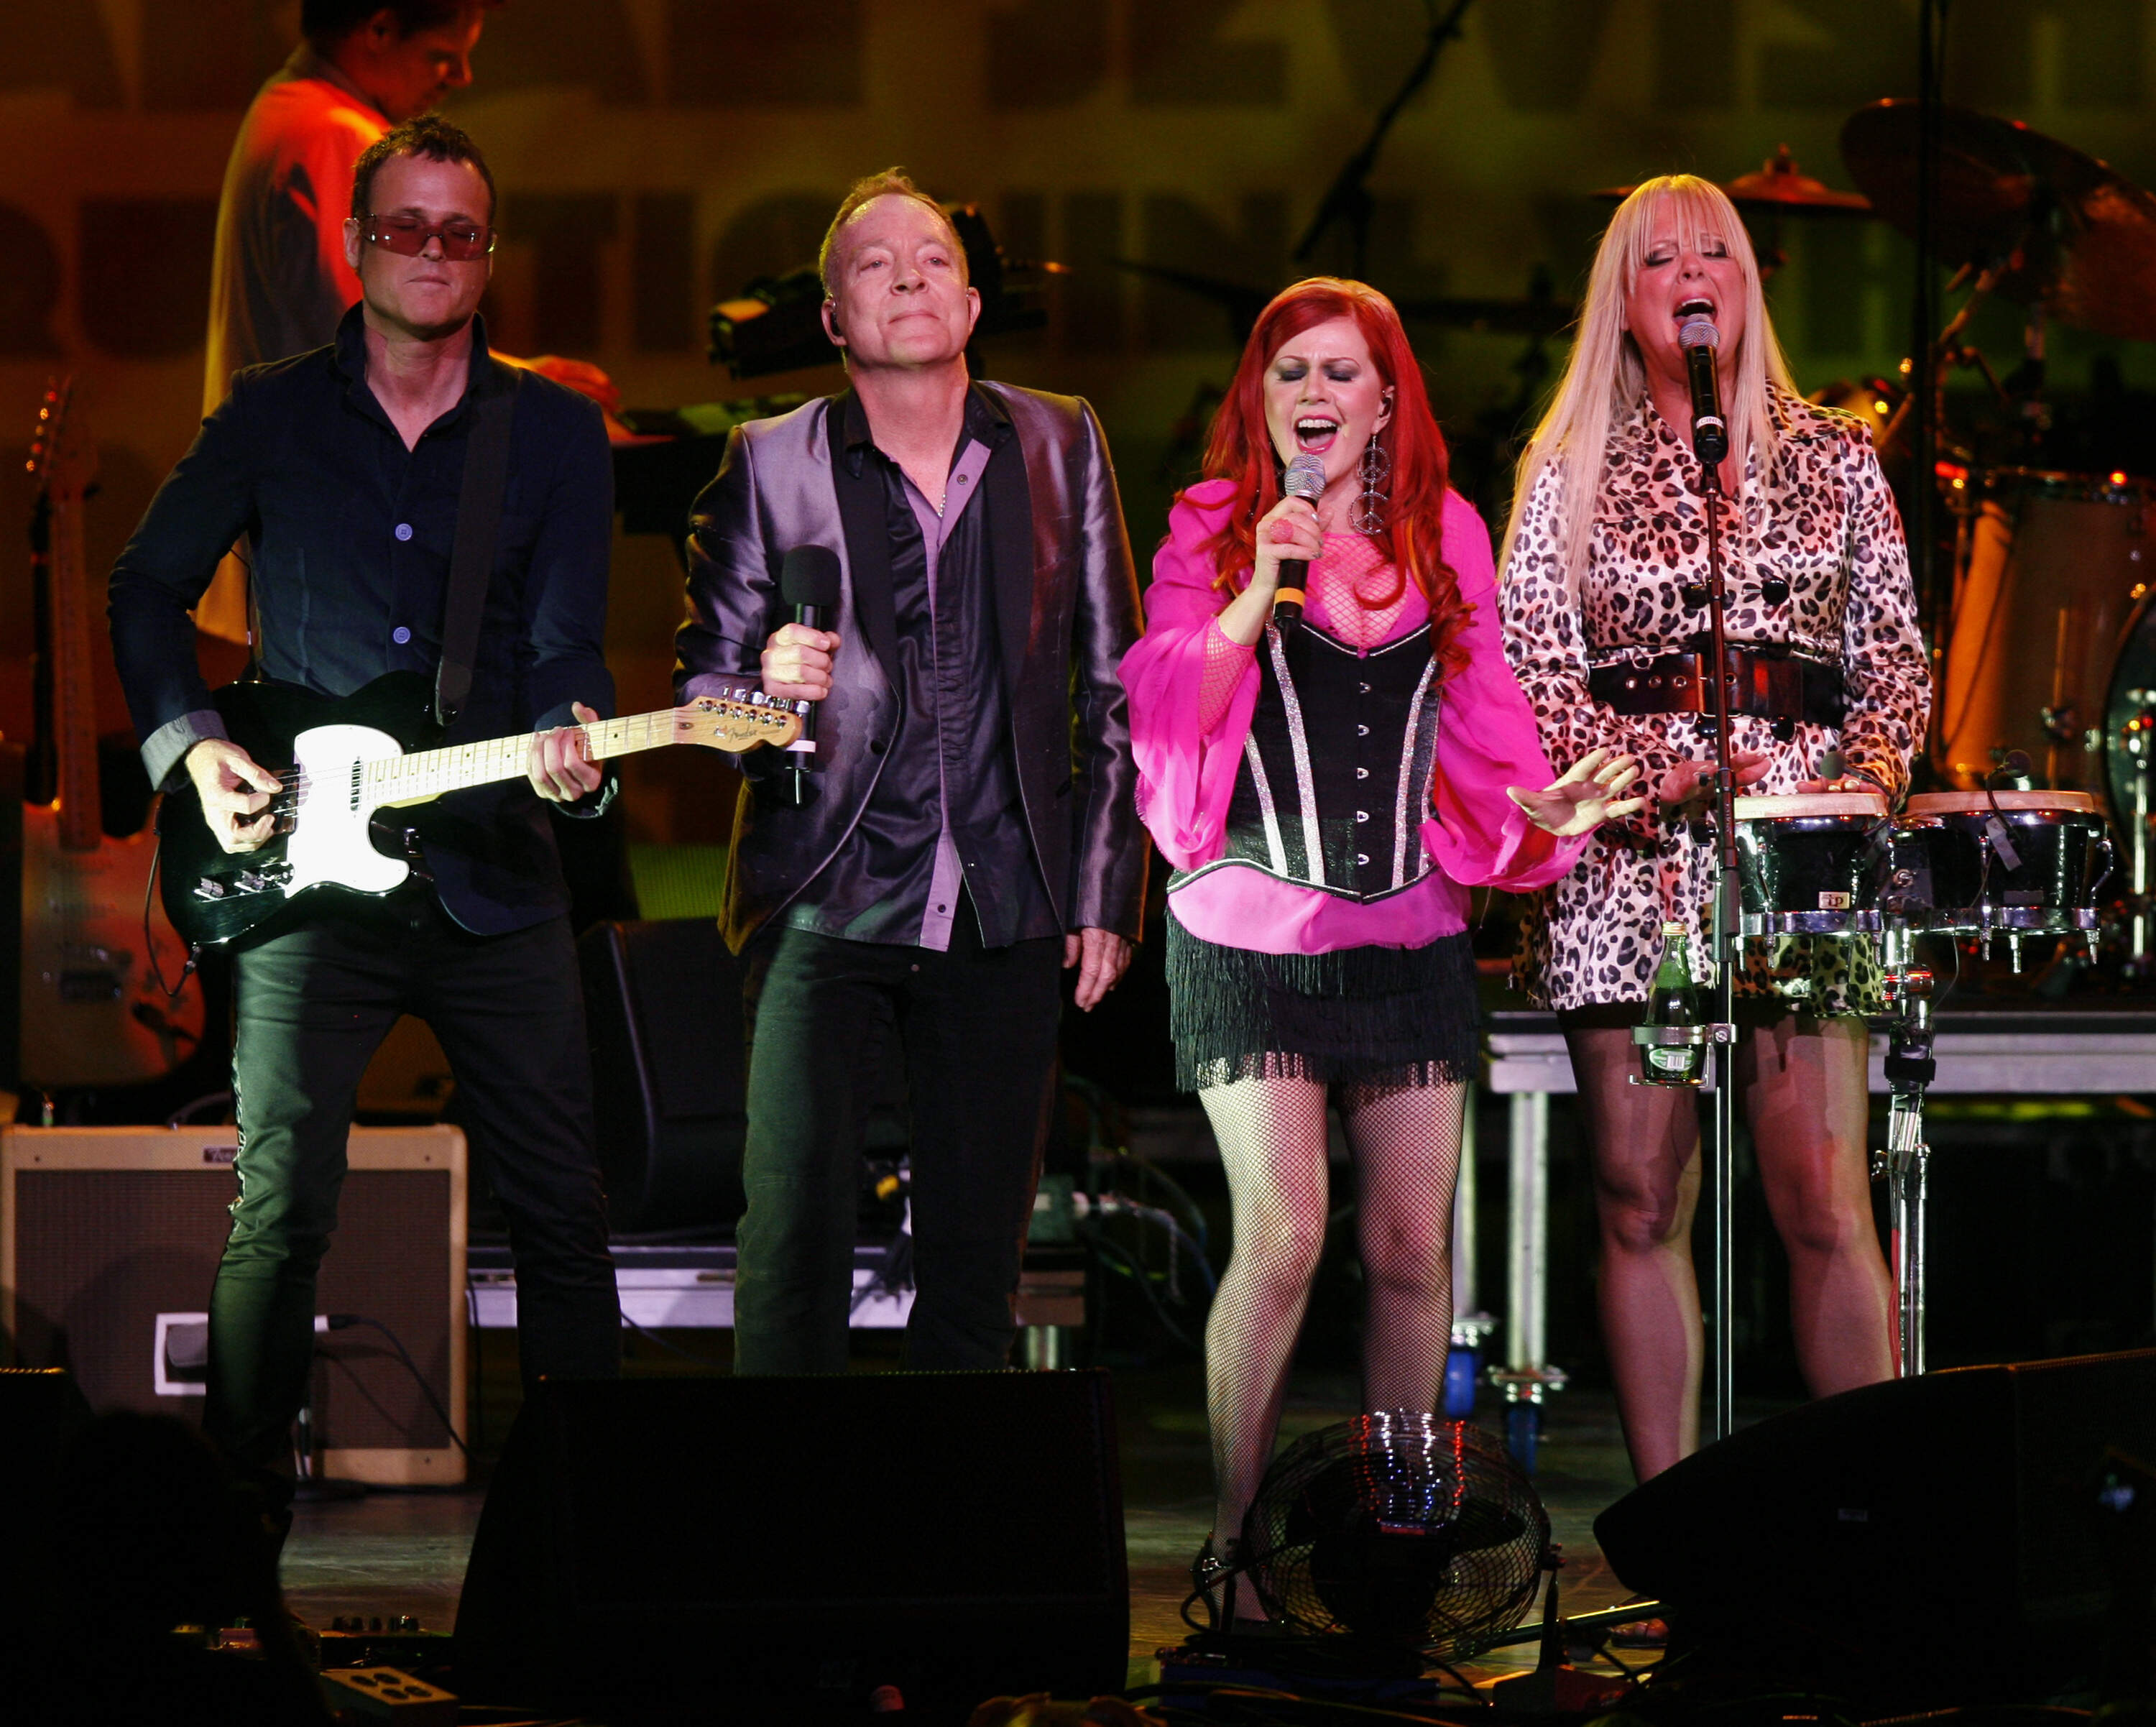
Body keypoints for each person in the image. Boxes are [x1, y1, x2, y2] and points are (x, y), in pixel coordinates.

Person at [109, 116, 620, 1521]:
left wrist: (580, 744)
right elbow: (147, 587)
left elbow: (570, 648)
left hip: (494, 869)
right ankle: (224, 1572)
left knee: (566, 1222)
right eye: (408, 226)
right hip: (298, 868)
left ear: (489, 253)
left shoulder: (555, 430)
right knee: (281, 1214)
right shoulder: (274, 412)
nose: (435, 253)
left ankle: (584, 1547)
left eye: (461, 232)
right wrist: (194, 746)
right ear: (354, 242)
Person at [1120, 277, 1644, 1618]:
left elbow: (1482, 726)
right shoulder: (1212, 525)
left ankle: (1399, 1552)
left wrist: (1535, 812)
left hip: (1405, 933)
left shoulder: (1444, 529)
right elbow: (1167, 700)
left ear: (1388, 396)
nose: (1315, 394)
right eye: (1291, 370)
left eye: (1343, 372)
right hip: (1251, 924)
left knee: (1414, 1246)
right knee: (1287, 1231)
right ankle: (1235, 1553)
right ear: (1261, 396)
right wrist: (1259, 586)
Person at [675, 167, 1147, 1376]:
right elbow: (702, 697)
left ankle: (960, 1539)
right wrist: (762, 685)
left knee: (976, 1262)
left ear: (975, 305)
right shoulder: (767, 463)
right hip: (824, 892)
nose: (909, 277)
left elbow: (1113, 683)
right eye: (874, 264)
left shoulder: (1058, 440)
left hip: (1007, 892)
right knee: (793, 1244)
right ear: (834, 319)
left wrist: (1104, 891)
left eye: (934, 259)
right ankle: (790, 1553)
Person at [1499, 175, 1931, 1480]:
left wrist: (1858, 783)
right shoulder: (1566, 464)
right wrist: (1642, 771)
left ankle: (1874, 1516)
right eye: (1659, 263)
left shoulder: (1837, 453)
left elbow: (1895, 660)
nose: (1694, 277)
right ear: (1624, 306)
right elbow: (1532, 663)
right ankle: (1674, 1530)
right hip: (1637, 854)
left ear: (1747, 287)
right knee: (1642, 1198)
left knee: (1821, 1200)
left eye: (1718, 258)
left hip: (1800, 851)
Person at [198, 0, 614, 642]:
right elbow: (381, 340)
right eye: (443, 55)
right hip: (345, 540)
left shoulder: (280, 109)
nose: (463, 77)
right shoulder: (340, 136)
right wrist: (531, 393)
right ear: (381, 29)